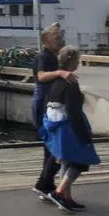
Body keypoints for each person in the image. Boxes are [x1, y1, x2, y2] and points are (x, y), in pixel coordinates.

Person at [39, 46, 100, 212]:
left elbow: (48, 104)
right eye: (77, 60)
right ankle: (59, 193)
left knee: (66, 161)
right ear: (72, 61)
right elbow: (74, 112)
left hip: (56, 126)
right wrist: (84, 135)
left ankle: (67, 198)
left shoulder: (55, 81)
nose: (78, 63)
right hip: (69, 128)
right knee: (80, 161)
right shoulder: (71, 83)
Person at [30, 23, 78, 199]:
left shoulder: (52, 55)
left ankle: (46, 184)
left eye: (60, 37)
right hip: (44, 103)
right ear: (47, 41)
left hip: (49, 102)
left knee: (51, 149)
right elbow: (41, 76)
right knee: (54, 148)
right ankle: (43, 183)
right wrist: (60, 73)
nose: (61, 40)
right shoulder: (44, 56)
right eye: (57, 38)